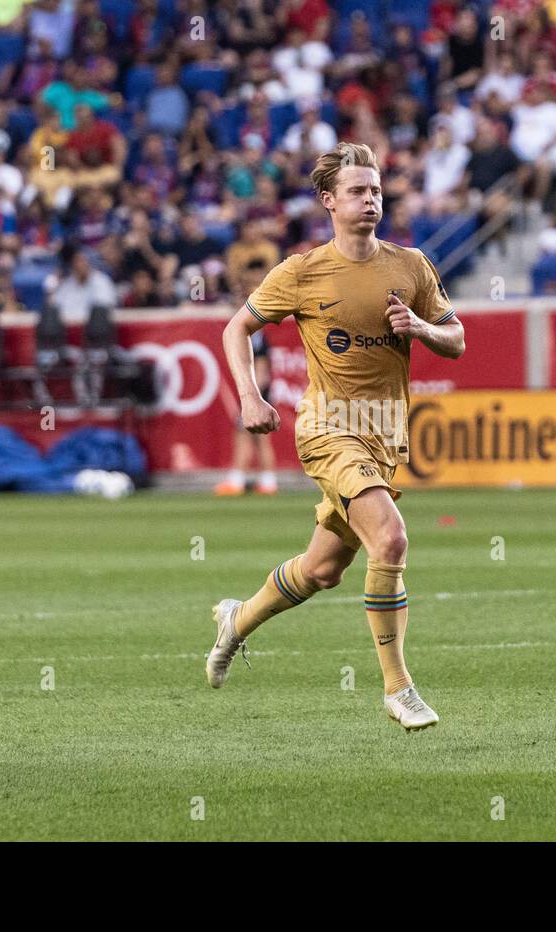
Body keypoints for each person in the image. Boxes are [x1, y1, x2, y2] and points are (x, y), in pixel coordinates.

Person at [209, 142, 465, 731]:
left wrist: (422, 327)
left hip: (383, 436)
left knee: (323, 570)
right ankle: (399, 688)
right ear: (329, 200)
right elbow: (236, 329)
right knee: (392, 542)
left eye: (375, 190)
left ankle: (236, 620)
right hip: (327, 429)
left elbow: (457, 339)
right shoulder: (301, 271)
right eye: (357, 190)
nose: (370, 199)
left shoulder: (412, 265)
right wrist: (250, 395)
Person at [215, 260, 280, 497]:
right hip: (260, 390)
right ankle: (264, 481)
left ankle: (241, 480)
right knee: (254, 437)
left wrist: (255, 396)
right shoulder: (256, 327)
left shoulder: (254, 331)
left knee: (250, 435)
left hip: (258, 391)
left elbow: (261, 363)